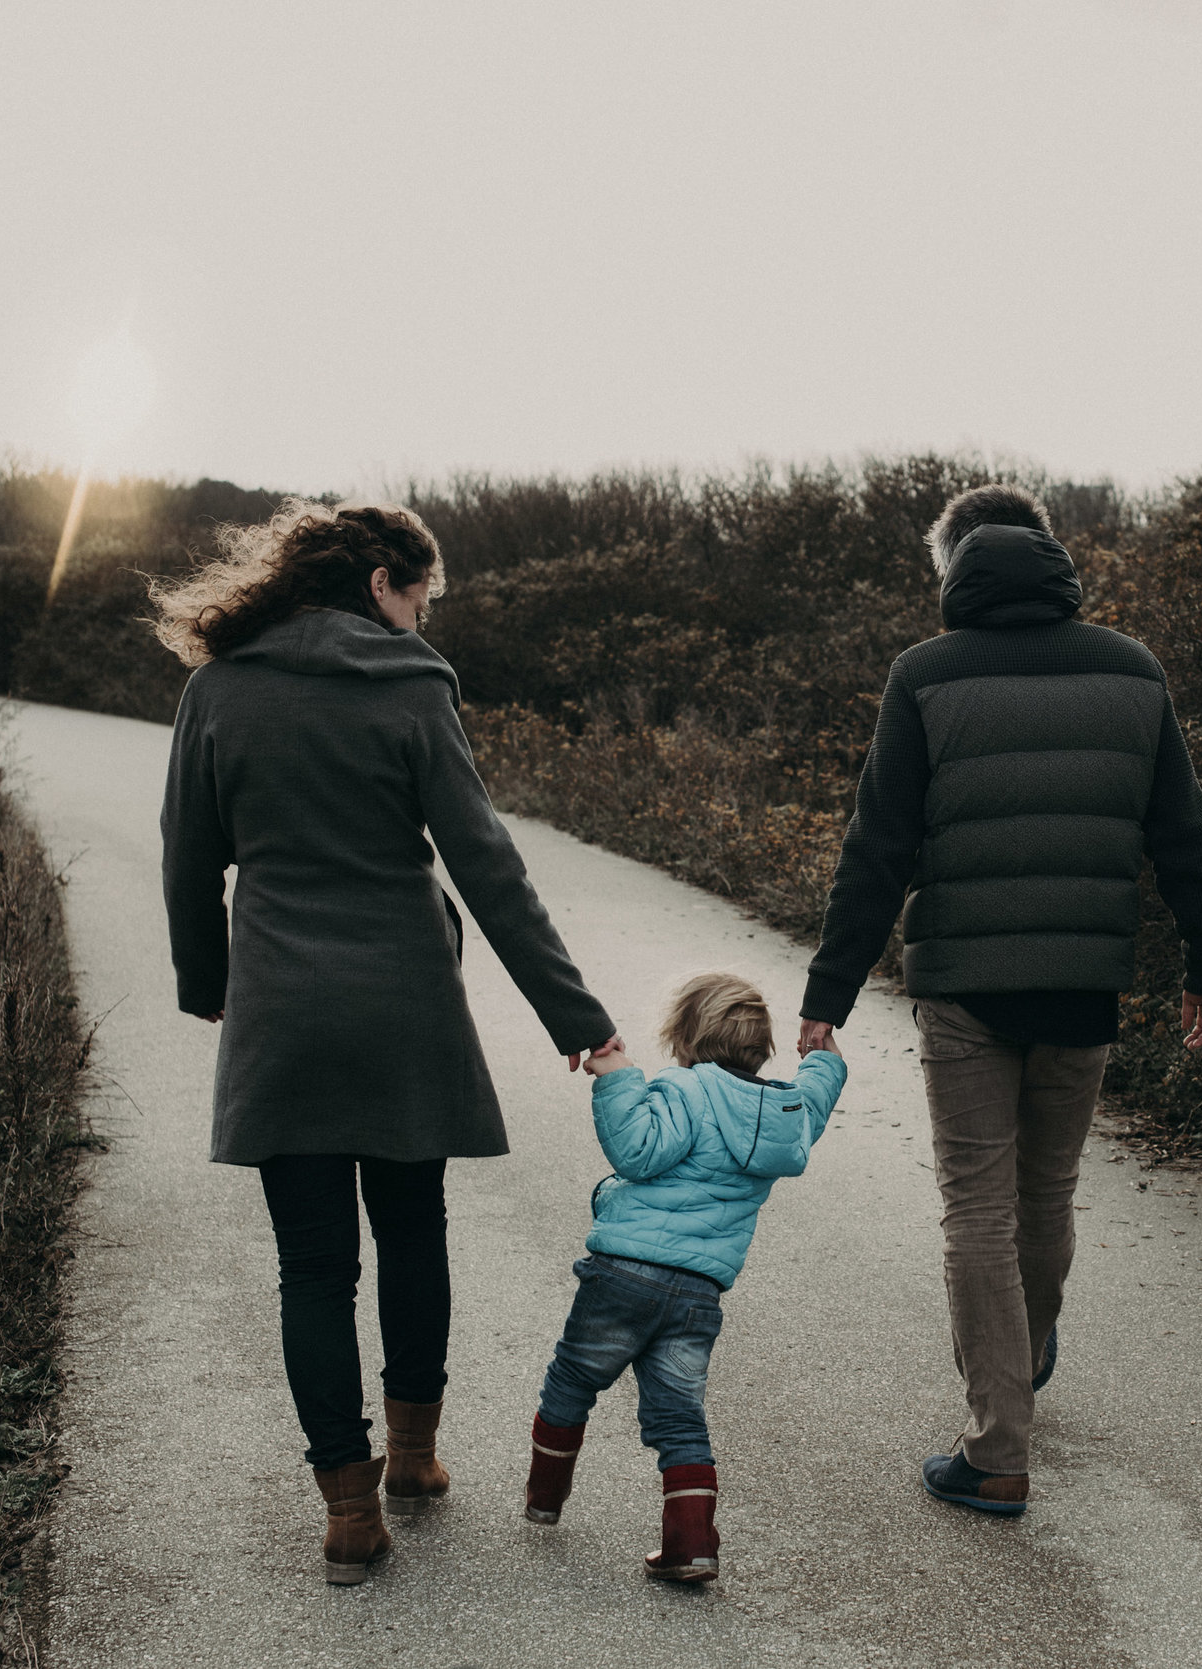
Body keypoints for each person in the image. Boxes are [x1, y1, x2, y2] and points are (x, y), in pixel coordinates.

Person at [153, 500, 622, 1585]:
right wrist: (579, 1020)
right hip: (405, 1003)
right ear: (379, 583)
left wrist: (207, 983)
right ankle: (414, 1459)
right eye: (419, 597)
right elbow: (486, 866)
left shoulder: (217, 689)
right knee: (413, 1228)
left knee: (312, 1266)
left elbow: (188, 858)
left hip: (283, 1007)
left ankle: (350, 1512)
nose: (420, 620)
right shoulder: (414, 687)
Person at [798, 483, 1202, 1515]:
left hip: (965, 988)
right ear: (1055, 559)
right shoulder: (1132, 669)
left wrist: (829, 993)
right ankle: (1020, 1359)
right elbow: (1184, 838)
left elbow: (879, 849)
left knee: (977, 1208)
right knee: (1044, 1196)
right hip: (1086, 984)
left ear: (953, 571)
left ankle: (998, 1444)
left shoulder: (925, 675)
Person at [523, 971, 845, 1583]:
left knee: (572, 1380)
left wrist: (618, 1075)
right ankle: (691, 1545)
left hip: (622, 1277)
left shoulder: (685, 1090)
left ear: (686, 1038)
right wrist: (822, 1064)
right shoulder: (780, 1114)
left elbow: (638, 1152)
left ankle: (544, 1498)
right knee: (678, 1415)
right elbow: (813, 1106)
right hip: (699, 1292)